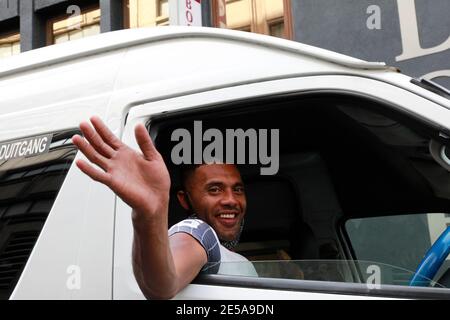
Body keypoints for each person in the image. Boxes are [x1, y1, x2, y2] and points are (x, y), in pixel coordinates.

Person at [72, 116, 255, 300]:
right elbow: (162, 286)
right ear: (185, 199)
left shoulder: (232, 257)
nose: (231, 199)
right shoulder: (200, 234)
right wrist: (147, 215)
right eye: (214, 190)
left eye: (237, 189)